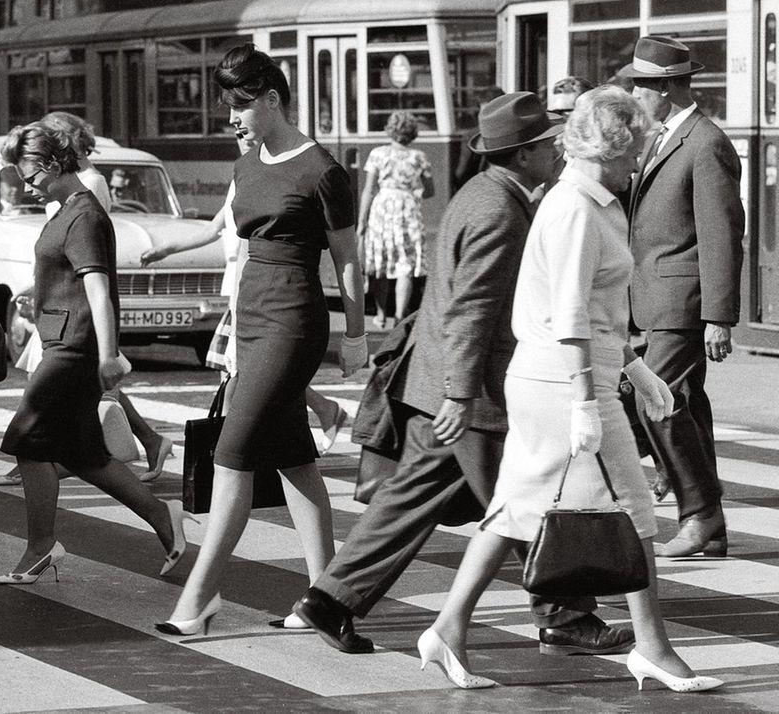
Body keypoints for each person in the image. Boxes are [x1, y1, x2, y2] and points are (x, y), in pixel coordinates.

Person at [296, 92, 630, 657]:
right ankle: (566, 615)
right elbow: (471, 309)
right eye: (548, 144)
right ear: (522, 156)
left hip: (450, 385)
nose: (558, 150)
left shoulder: (486, 193)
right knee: (531, 494)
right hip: (469, 392)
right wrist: (458, 396)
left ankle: (330, 599)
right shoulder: (499, 209)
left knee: (418, 500)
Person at [421, 87, 721, 694]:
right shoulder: (577, 209)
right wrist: (590, 397)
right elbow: (569, 315)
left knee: (514, 510)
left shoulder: (589, 201)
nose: (640, 160)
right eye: (635, 147)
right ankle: (655, 649)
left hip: (554, 378)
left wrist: (635, 369)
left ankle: (447, 628)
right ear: (611, 148)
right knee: (634, 511)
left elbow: (596, 311)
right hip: (563, 384)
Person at [158, 44, 367, 636]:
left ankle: (197, 601)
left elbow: (349, 262)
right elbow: (241, 248)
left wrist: (355, 337)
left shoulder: (323, 170)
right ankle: (327, 601)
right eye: (229, 106)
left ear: (272, 98)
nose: (232, 118)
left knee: (232, 454)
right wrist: (230, 324)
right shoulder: (247, 164)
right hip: (251, 316)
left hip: (294, 320)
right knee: (296, 459)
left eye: (241, 106)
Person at [0, 121, 187, 587]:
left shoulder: (84, 216)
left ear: (54, 164)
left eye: (31, 176)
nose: (27, 186)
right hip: (63, 338)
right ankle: (164, 517)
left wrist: (108, 355)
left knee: (26, 441)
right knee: (83, 455)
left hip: (75, 346)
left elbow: (99, 291)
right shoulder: (67, 210)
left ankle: (42, 547)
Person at [140, 135, 345, 454]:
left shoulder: (279, 177)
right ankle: (313, 415)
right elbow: (213, 229)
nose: (242, 137)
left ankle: (230, 452)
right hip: (240, 284)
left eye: (248, 132)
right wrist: (168, 249)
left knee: (248, 376)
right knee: (251, 376)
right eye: (237, 133)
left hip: (253, 290)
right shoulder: (244, 174)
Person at [624, 36, 743, 558]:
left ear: (667, 88)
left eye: (641, 86)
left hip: (683, 300)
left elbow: (721, 233)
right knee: (688, 406)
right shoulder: (657, 138)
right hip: (653, 297)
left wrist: (719, 315)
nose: (634, 94)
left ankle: (700, 514)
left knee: (654, 397)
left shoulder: (704, 141)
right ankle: (709, 528)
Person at [358, 111, 433, 328]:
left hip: (382, 208)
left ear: (390, 130)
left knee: (381, 263)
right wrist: (412, 194)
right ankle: (400, 315)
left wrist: (362, 222)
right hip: (408, 209)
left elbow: (368, 190)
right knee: (405, 265)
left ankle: (381, 315)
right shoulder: (419, 157)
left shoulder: (377, 154)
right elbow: (429, 191)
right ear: (412, 133)